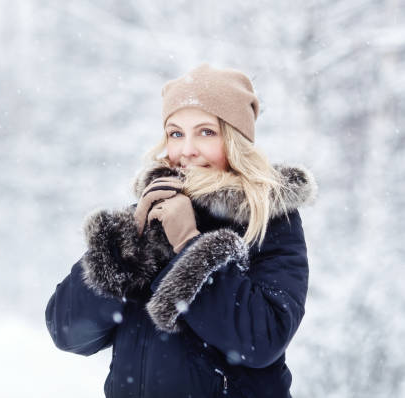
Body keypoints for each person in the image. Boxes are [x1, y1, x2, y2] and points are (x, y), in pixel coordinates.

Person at [45, 64, 317, 398]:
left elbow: (261, 341)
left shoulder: (269, 220)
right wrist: (127, 247)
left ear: (236, 141)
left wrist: (189, 244)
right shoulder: (148, 214)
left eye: (206, 132)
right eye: (176, 133)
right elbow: (68, 333)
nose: (187, 149)